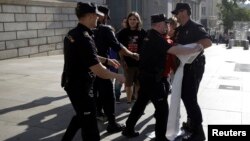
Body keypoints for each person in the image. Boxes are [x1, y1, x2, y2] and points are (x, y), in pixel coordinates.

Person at [121, 13, 203, 141]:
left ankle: (128, 129)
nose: (167, 25)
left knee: (140, 104)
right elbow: (174, 51)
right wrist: (195, 48)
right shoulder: (156, 38)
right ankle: (160, 137)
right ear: (159, 25)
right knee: (162, 110)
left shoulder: (149, 35)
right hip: (154, 80)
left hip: (146, 77)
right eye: (165, 23)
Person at [60, 2, 125, 141]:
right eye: (97, 16)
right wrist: (118, 76)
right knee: (90, 129)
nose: (98, 19)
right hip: (80, 87)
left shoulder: (74, 33)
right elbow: (99, 71)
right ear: (90, 16)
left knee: (81, 116)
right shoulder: (84, 38)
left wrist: (107, 61)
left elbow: (89, 56)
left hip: (74, 84)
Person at [93, 5, 139, 133]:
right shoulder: (106, 29)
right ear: (103, 16)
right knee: (108, 94)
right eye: (106, 17)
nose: (107, 19)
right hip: (103, 67)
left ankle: (98, 113)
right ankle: (112, 123)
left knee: (95, 91)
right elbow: (117, 46)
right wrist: (132, 54)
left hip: (91, 67)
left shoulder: (86, 30)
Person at [171, 3, 212, 141]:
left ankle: (199, 132)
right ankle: (191, 124)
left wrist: (192, 49)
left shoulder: (195, 26)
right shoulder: (179, 29)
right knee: (186, 96)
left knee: (190, 98)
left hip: (194, 67)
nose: (178, 14)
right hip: (183, 67)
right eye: (177, 12)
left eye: (181, 11)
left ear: (188, 12)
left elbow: (207, 41)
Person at [117, 12, 147, 108]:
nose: (132, 21)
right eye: (130, 19)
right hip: (128, 64)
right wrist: (122, 62)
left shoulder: (143, 32)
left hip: (140, 63)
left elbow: (146, 48)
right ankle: (129, 103)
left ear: (138, 20)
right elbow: (119, 49)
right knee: (128, 84)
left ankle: (137, 105)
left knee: (139, 84)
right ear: (128, 21)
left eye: (134, 19)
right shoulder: (122, 33)